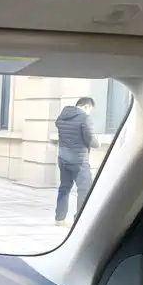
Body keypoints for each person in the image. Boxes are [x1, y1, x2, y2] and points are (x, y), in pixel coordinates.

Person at [55, 96, 100, 226]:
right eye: (90, 109)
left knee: (64, 188)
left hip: (63, 159)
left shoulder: (62, 117)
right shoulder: (84, 118)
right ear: (87, 106)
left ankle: (59, 219)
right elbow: (90, 139)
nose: (90, 112)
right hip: (79, 160)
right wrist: (97, 144)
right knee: (84, 189)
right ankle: (79, 220)